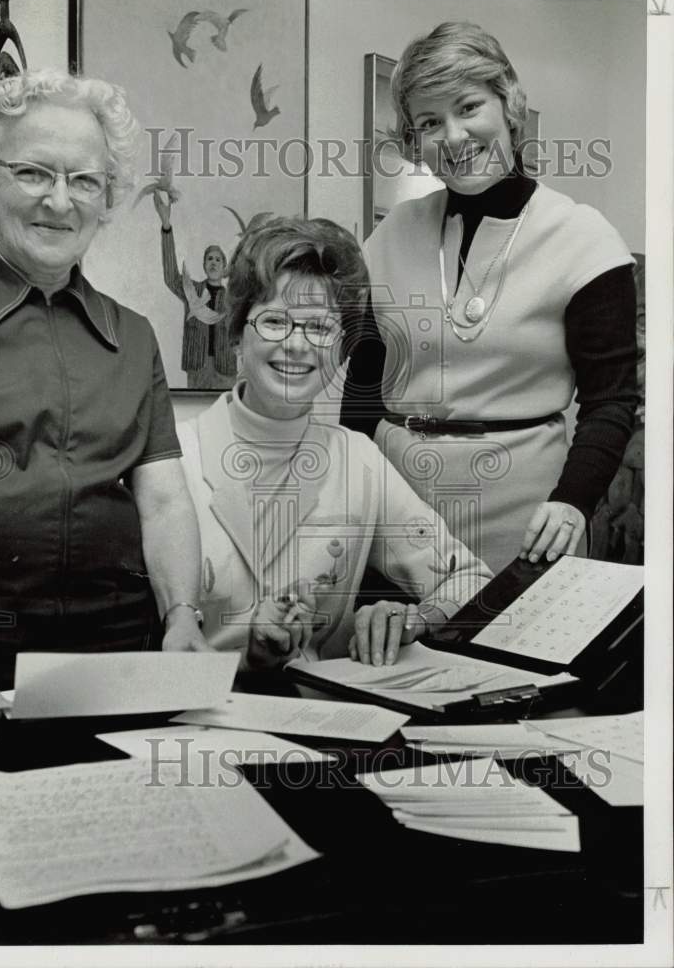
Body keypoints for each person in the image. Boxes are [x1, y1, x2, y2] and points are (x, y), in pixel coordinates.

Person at [0, 69, 209, 743]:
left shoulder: (134, 334)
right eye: (34, 172)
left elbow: (164, 501)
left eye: (85, 181)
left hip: (123, 660)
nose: (60, 202)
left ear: (106, 198)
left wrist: (183, 616)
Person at [341, 22, 638, 575]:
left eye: (468, 107)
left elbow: (611, 400)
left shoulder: (587, 239)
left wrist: (573, 500)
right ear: (414, 143)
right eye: (429, 122)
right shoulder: (387, 238)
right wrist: (350, 497)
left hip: (528, 521)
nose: (453, 137)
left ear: (510, 105)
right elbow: (362, 390)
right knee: (388, 657)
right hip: (396, 513)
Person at [176, 217, 492, 669]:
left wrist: (412, 619)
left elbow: (472, 580)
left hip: (324, 721)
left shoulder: (358, 460)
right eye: (274, 321)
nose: (296, 345)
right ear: (236, 335)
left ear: (341, 347)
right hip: (194, 721)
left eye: (319, 328)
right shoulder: (175, 459)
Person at [154, 194, 237, 389]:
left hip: (225, 368)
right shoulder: (192, 290)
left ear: (225, 266)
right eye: (209, 259)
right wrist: (166, 226)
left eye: (218, 259)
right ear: (204, 265)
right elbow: (170, 275)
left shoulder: (234, 296)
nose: (214, 262)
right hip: (197, 367)